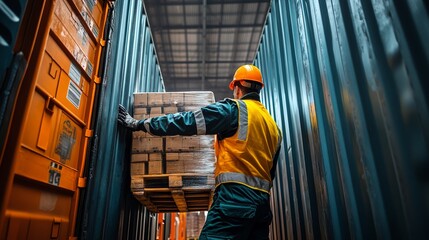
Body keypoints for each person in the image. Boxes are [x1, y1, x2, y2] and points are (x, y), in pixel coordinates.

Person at [118, 64, 282, 240]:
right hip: (262, 207)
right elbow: (269, 174)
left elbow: (186, 121)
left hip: (234, 200)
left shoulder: (234, 110)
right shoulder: (274, 128)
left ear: (237, 87)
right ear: (259, 89)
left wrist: (141, 124)